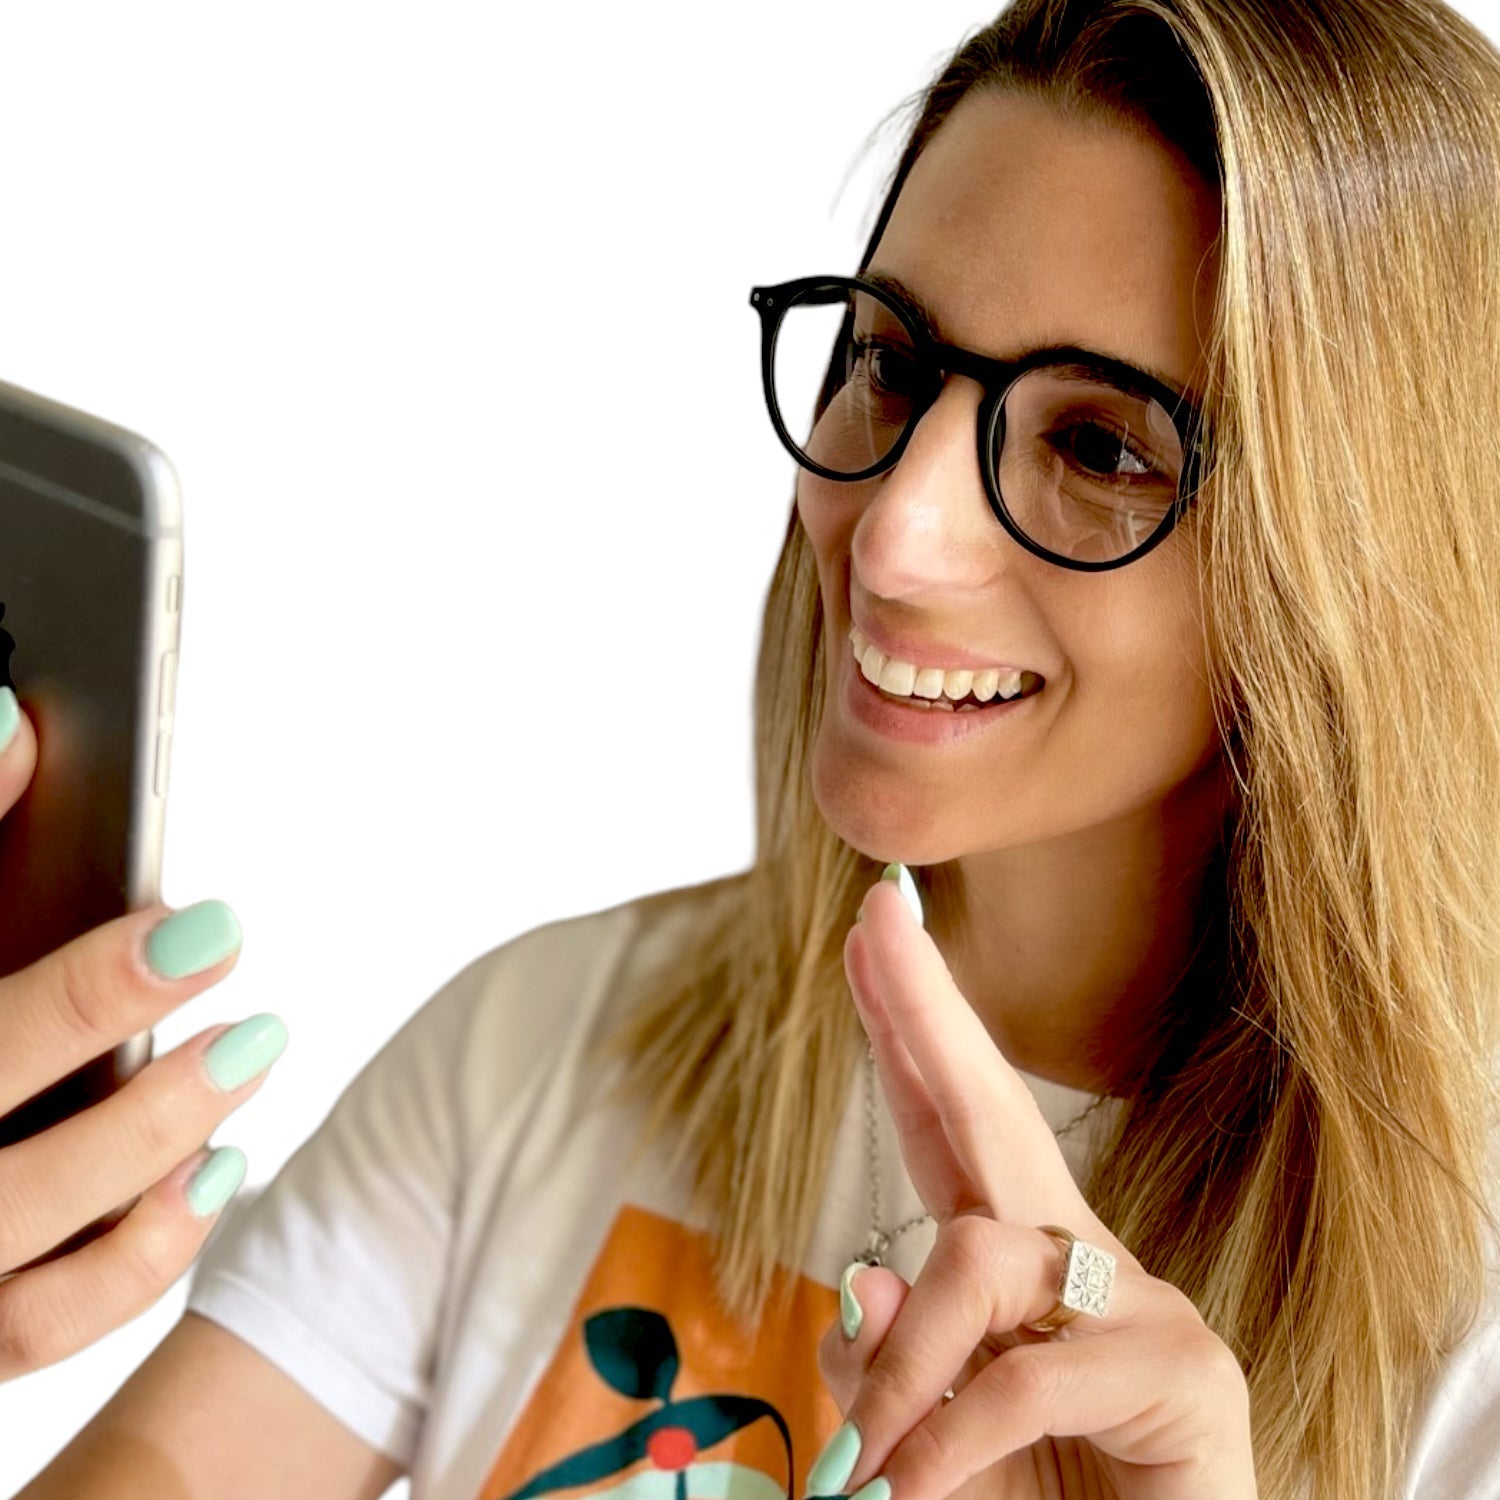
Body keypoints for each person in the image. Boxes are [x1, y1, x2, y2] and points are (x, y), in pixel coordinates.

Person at [4, 0, 1500, 1496]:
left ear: (1365, 567)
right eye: (892, 362)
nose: (892, 534)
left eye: (1100, 447)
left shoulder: (1468, 1323)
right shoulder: (551, 1046)